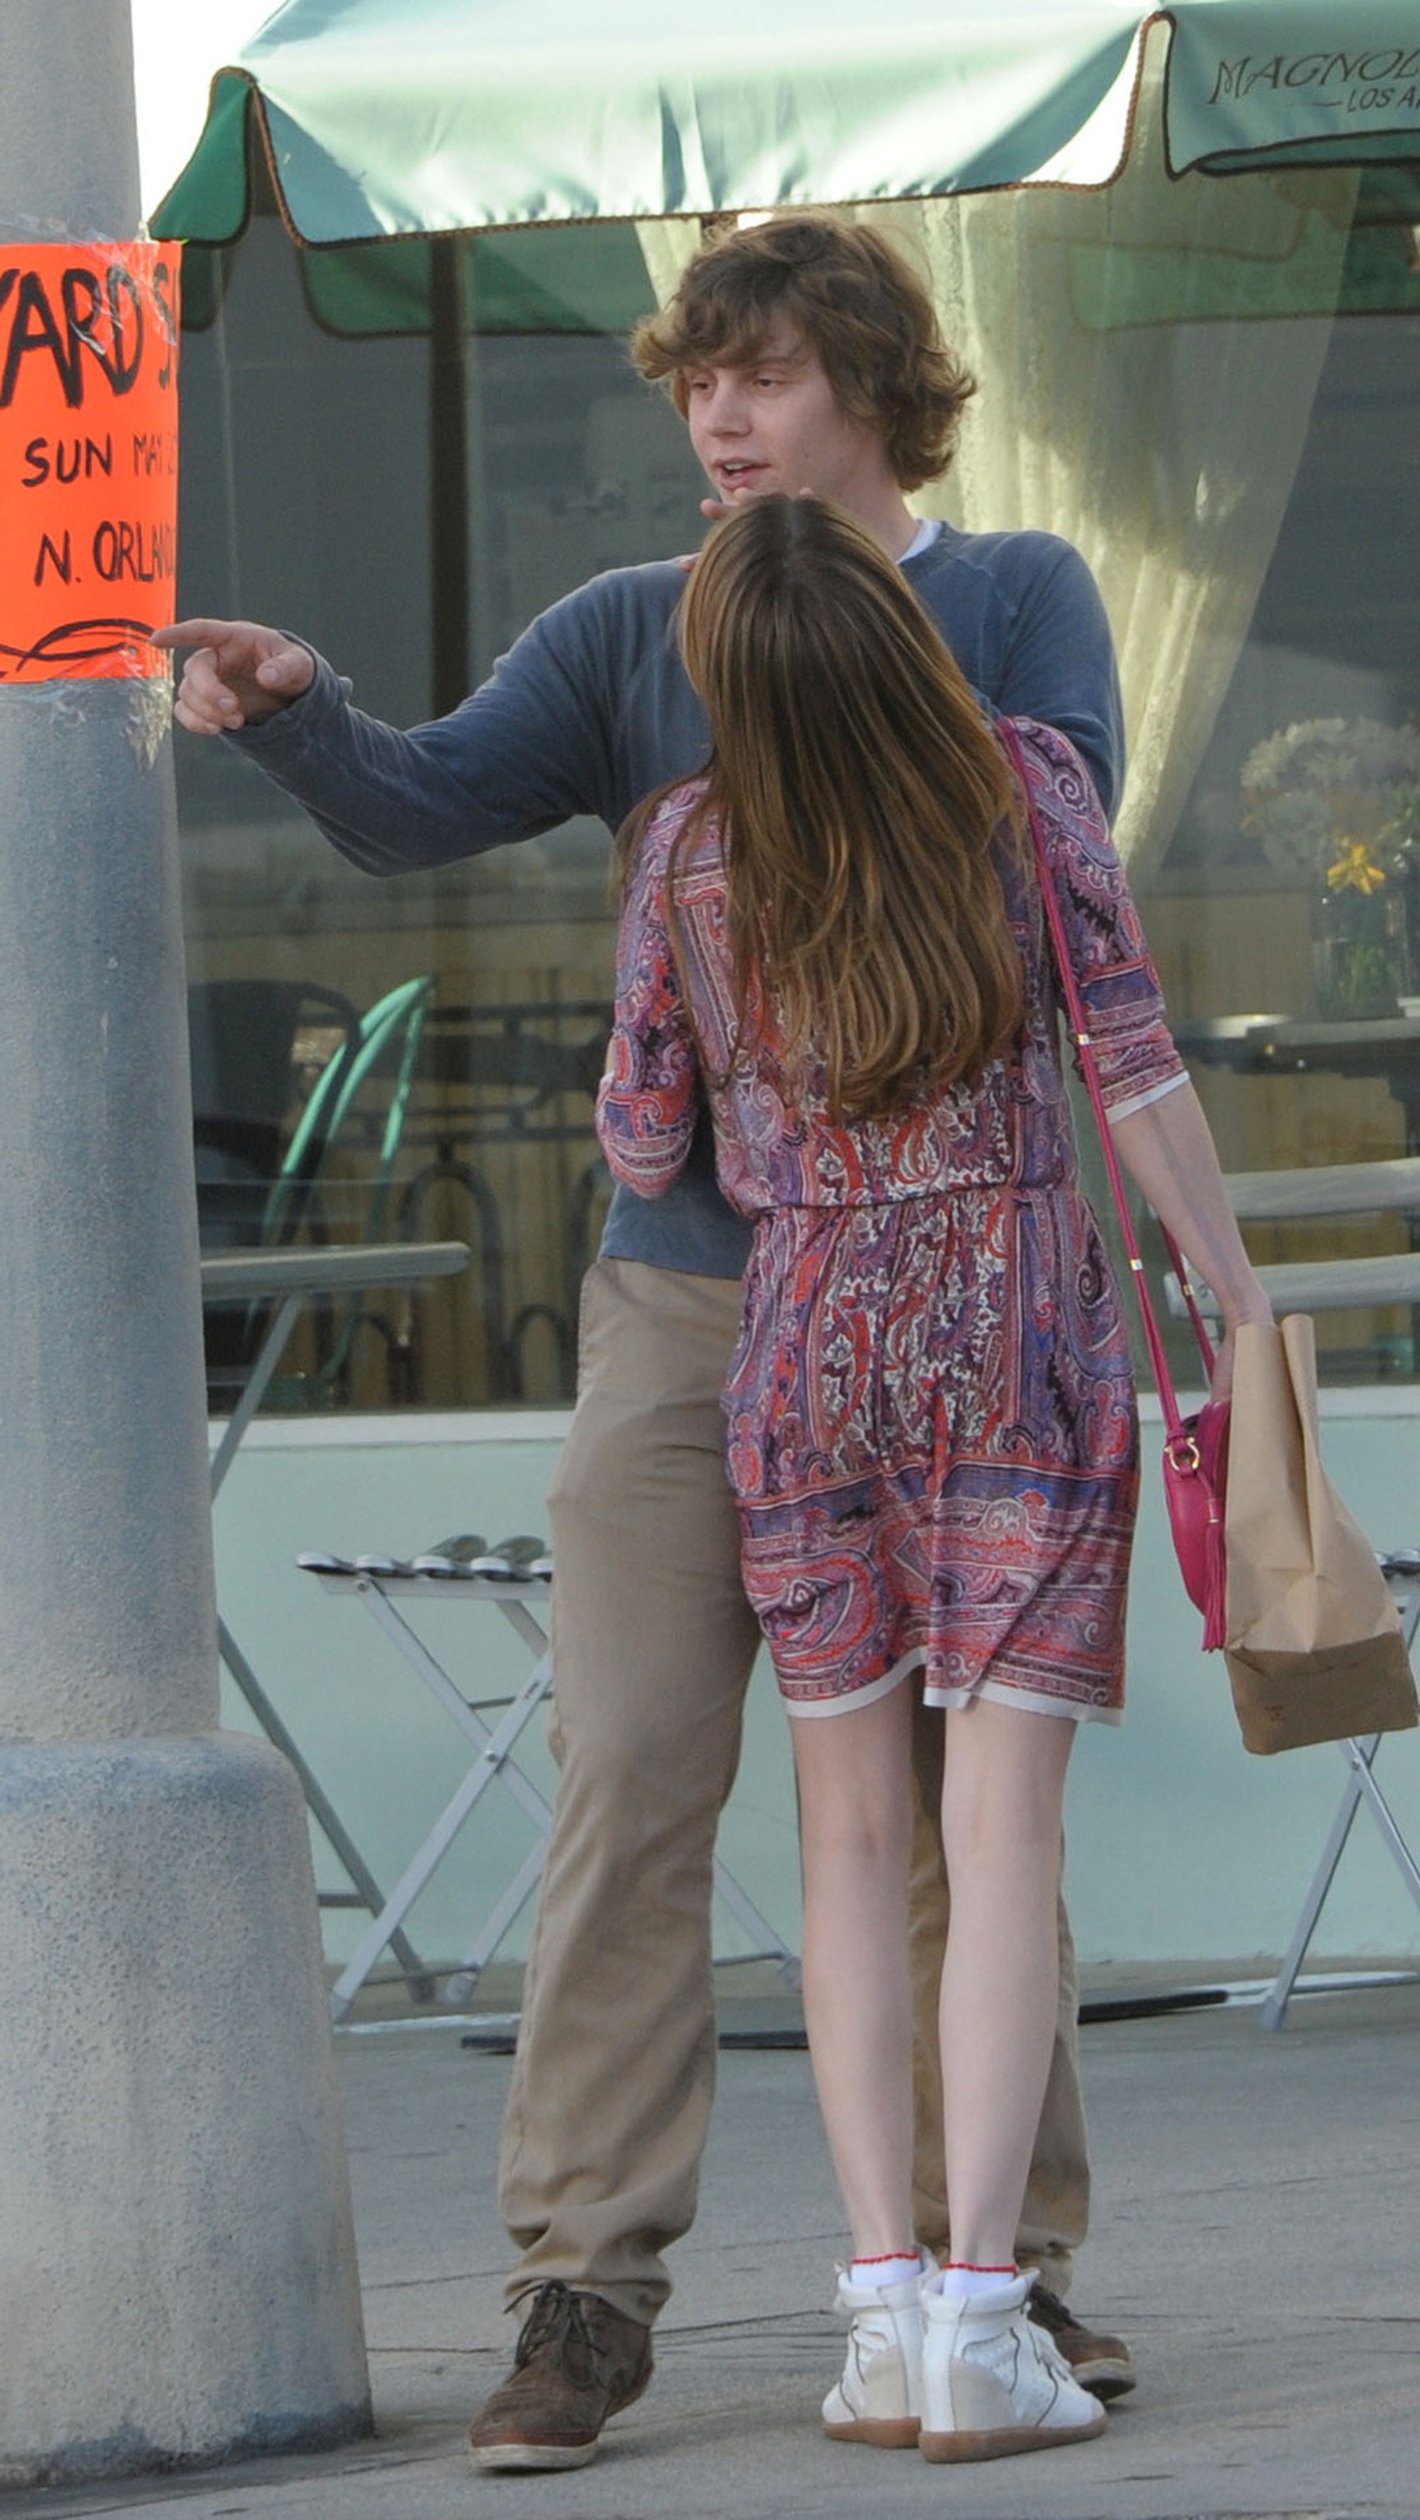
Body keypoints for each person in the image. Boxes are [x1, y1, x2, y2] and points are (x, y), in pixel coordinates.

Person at [158, 214, 1130, 2474]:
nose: (716, 412)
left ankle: (999, 2276)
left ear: (876, 390)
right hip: (698, 1290)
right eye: (697, 375)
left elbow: (1034, 872)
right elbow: (431, 806)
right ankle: (581, 2293)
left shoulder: (1013, 604)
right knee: (633, 1771)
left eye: (766, 373)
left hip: (971, 1282)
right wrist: (305, 720)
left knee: (948, 1823)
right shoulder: (628, 627)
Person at [597, 491, 1270, 2462]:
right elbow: (1132, 1061)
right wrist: (1229, 1297)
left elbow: (644, 1146)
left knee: (840, 1849)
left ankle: (881, 2316)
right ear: (903, 634)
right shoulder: (1025, 789)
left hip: (802, 1354)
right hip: (1021, 1332)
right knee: (1001, 1845)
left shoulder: (688, 851)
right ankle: (988, 2311)